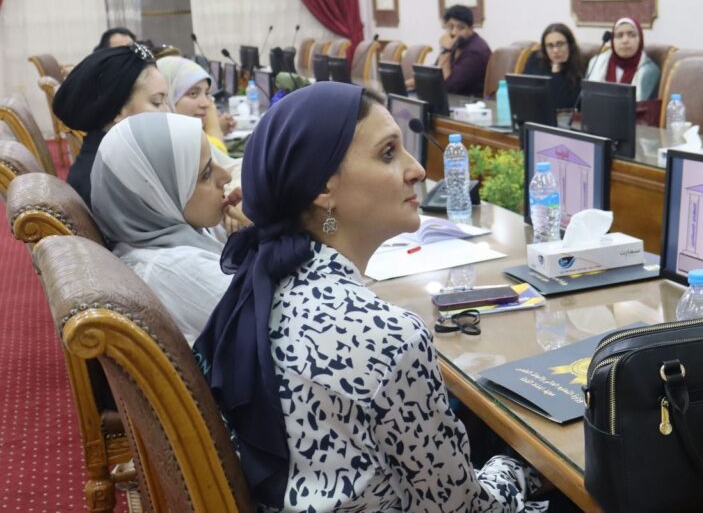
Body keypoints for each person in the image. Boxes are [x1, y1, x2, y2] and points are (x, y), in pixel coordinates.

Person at [193, 82, 545, 512]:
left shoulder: (265, 285)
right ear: (323, 189)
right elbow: (466, 509)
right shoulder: (386, 336)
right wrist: (517, 468)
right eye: (388, 153)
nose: (417, 169)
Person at [89, 112, 239, 345]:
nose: (226, 177)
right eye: (206, 174)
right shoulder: (174, 269)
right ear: (157, 193)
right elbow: (289, 321)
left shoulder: (172, 232)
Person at [52, 43, 169, 207]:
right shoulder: (111, 178)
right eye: (156, 102)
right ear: (118, 110)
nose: (167, 112)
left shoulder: (113, 157)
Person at [584, 17, 660, 101]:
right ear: (612, 41)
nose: (625, 41)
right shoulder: (597, 62)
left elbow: (640, 104)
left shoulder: (649, 70)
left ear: (640, 39)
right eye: (619, 35)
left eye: (631, 35)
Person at [522, 22, 586, 110]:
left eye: (560, 44)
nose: (555, 50)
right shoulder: (535, 60)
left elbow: (562, 104)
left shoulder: (580, 67)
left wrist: (556, 72)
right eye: (550, 46)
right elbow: (524, 93)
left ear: (570, 45)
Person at [438, 4, 491, 97]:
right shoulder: (456, 45)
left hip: (468, 102)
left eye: (461, 27)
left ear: (471, 28)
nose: (454, 32)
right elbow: (434, 74)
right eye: (450, 27)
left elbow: (448, 88)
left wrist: (446, 51)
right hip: (453, 100)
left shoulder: (475, 52)